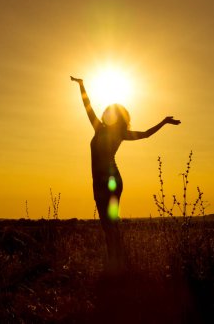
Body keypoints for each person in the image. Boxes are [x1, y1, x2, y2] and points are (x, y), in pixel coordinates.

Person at [71, 76, 181, 270]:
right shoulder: (99, 128)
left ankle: (118, 261)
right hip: (99, 181)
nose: (106, 114)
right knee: (107, 224)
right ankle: (115, 259)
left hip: (111, 180)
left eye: (111, 113)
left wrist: (163, 122)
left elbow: (145, 133)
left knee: (110, 221)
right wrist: (82, 86)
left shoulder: (117, 133)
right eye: (106, 112)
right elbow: (87, 105)